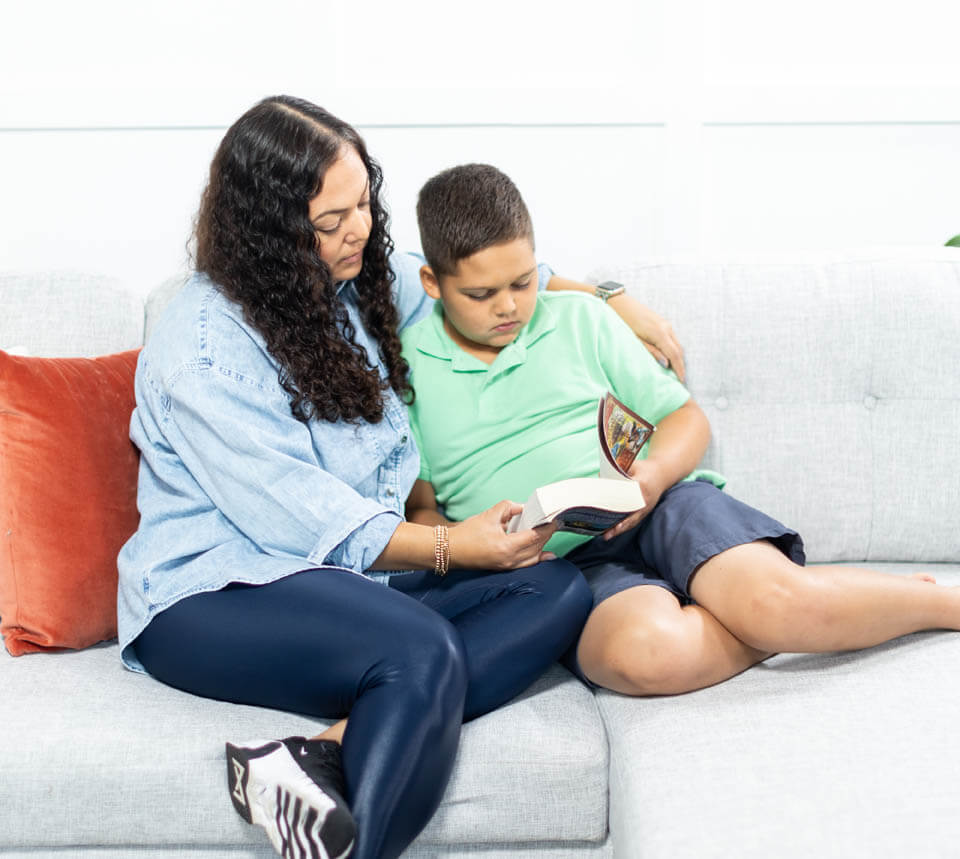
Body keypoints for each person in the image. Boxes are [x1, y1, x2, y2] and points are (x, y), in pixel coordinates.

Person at [115, 97, 684, 859]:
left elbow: (492, 281)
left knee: (555, 588)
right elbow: (302, 520)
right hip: (212, 593)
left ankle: (321, 755)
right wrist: (455, 545)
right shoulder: (201, 349)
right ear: (271, 232)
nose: (358, 228)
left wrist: (612, 298)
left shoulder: (358, 279)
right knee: (423, 652)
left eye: (364, 203)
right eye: (330, 220)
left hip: (343, 577)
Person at [402, 162, 960, 698]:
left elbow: (684, 418)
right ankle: (808, 619)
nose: (509, 307)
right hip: (559, 567)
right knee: (643, 656)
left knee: (777, 601)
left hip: (663, 503)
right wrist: (478, 547)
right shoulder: (405, 373)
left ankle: (931, 604)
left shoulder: (580, 318)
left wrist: (654, 475)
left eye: (523, 283)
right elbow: (421, 512)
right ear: (432, 282)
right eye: (481, 295)